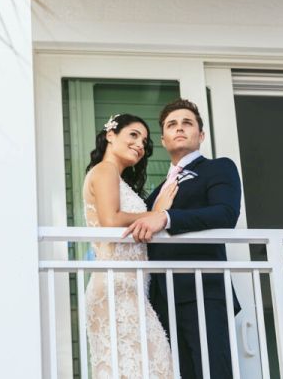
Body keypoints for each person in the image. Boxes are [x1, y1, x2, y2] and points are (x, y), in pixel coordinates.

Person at [123, 99, 242, 379]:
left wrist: (166, 218)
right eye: (171, 125)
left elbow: (226, 213)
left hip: (203, 291)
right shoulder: (154, 196)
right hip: (162, 300)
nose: (179, 128)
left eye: (187, 123)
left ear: (200, 135)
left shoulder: (218, 168)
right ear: (164, 139)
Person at [83, 113, 176, 378]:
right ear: (111, 135)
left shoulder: (117, 178)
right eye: (133, 135)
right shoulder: (104, 170)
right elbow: (111, 221)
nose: (140, 145)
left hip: (130, 290)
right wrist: (156, 214)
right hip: (115, 288)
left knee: (150, 367)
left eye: (145, 142)